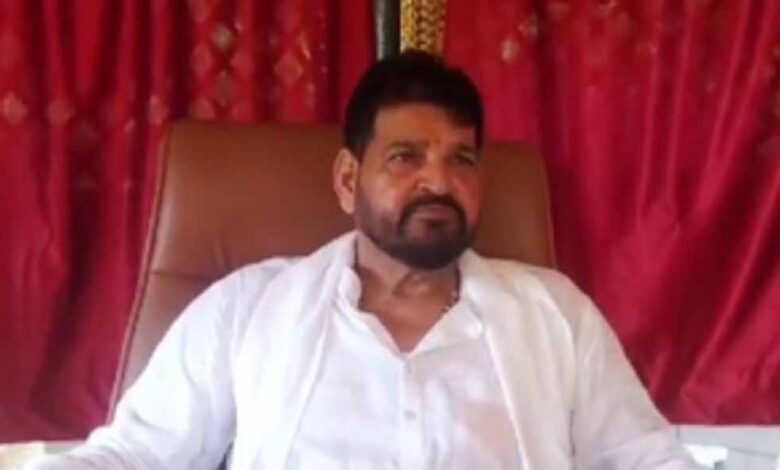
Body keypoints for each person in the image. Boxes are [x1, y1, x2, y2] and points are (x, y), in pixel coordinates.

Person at [27, 51, 701, 469]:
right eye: (406, 157)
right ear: (349, 180)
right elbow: (135, 454)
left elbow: (646, 457)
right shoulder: (248, 309)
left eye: (461, 160)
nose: (438, 182)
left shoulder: (555, 314)